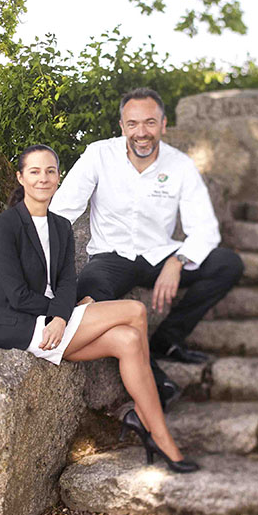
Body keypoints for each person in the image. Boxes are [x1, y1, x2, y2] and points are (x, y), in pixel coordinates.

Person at [0, 144, 198, 473]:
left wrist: (61, 315)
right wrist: (59, 315)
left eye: (50, 171)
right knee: (134, 312)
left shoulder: (61, 227)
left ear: (58, 178)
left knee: (126, 339)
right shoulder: (5, 226)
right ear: (20, 177)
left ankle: (151, 428)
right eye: (35, 172)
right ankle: (159, 434)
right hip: (19, 325)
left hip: (55, 326)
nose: (43, 178)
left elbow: (68, 283)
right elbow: (15, 294)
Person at [49, 88, 244, 409]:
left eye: (150, 123)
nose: (142, 132)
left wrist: (178, 260)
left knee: (228, 264)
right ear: (122, 125)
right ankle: (156, 383)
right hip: (111, 257)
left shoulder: (179, 164)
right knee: (86, 300)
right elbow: (63, 212)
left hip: (160, 254)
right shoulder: (99, 154)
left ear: (164, 125)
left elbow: (205, 228)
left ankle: (166, 341)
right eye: (133, 123)